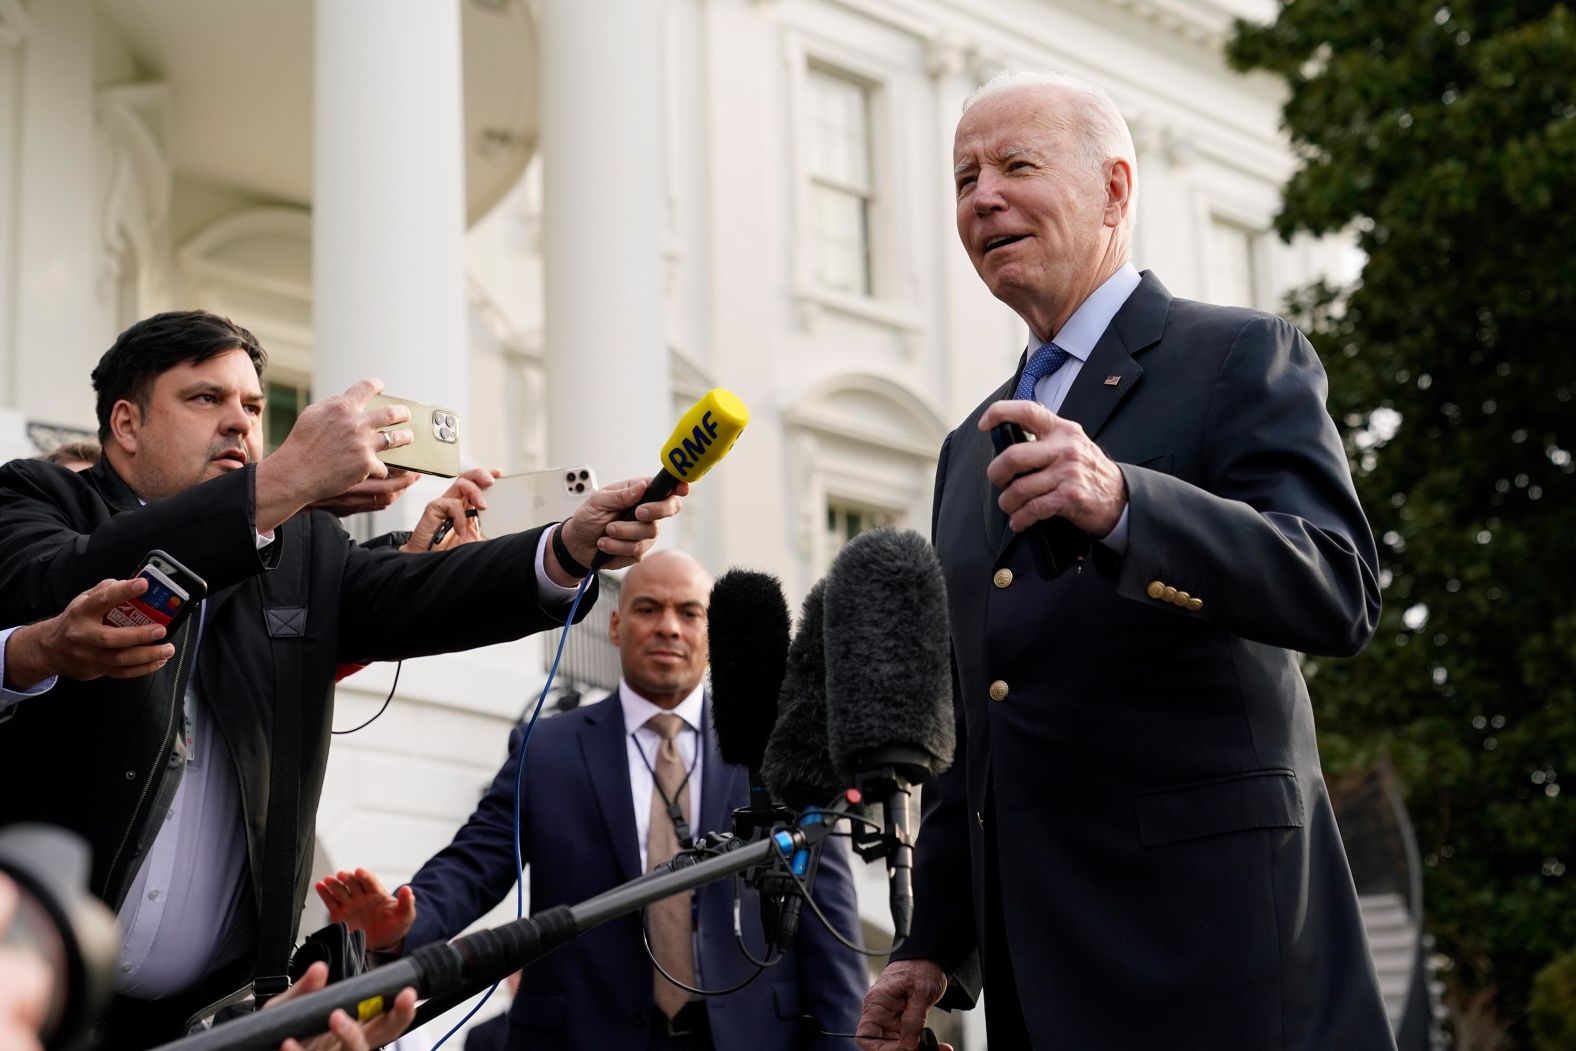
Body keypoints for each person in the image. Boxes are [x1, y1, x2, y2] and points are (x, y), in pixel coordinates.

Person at [856, 71, 1394, 1051]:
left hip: (1218, 956)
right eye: (964, 176)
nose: (982, 197)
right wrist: (933, 940)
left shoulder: (1237, 357)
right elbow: (978, 715)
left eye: (1018, 165)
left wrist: (1124, 506)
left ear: (1113, 189)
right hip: (1044, 975)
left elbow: (1336, 585)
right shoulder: (965, 448)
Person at [0, 309, 684, 1049]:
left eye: (255, 408)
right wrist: (284, 483)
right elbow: (60, 581)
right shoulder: (38, 498)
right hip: (34, 1000)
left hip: (217, 1022)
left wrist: (566, 547)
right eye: (206, 399)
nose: (240, 424)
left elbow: (425, 595)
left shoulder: (303, 548)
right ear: (126, 424)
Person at [317, 550, 869, 1050]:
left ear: (712, 631)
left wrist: (846, 1039)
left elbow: (827, 914)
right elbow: (475, 862)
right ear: (614, 623)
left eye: (689, 613)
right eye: (648, 609)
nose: (668, 628)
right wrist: (404, 924)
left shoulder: (773, 750)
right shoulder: (547, 745)